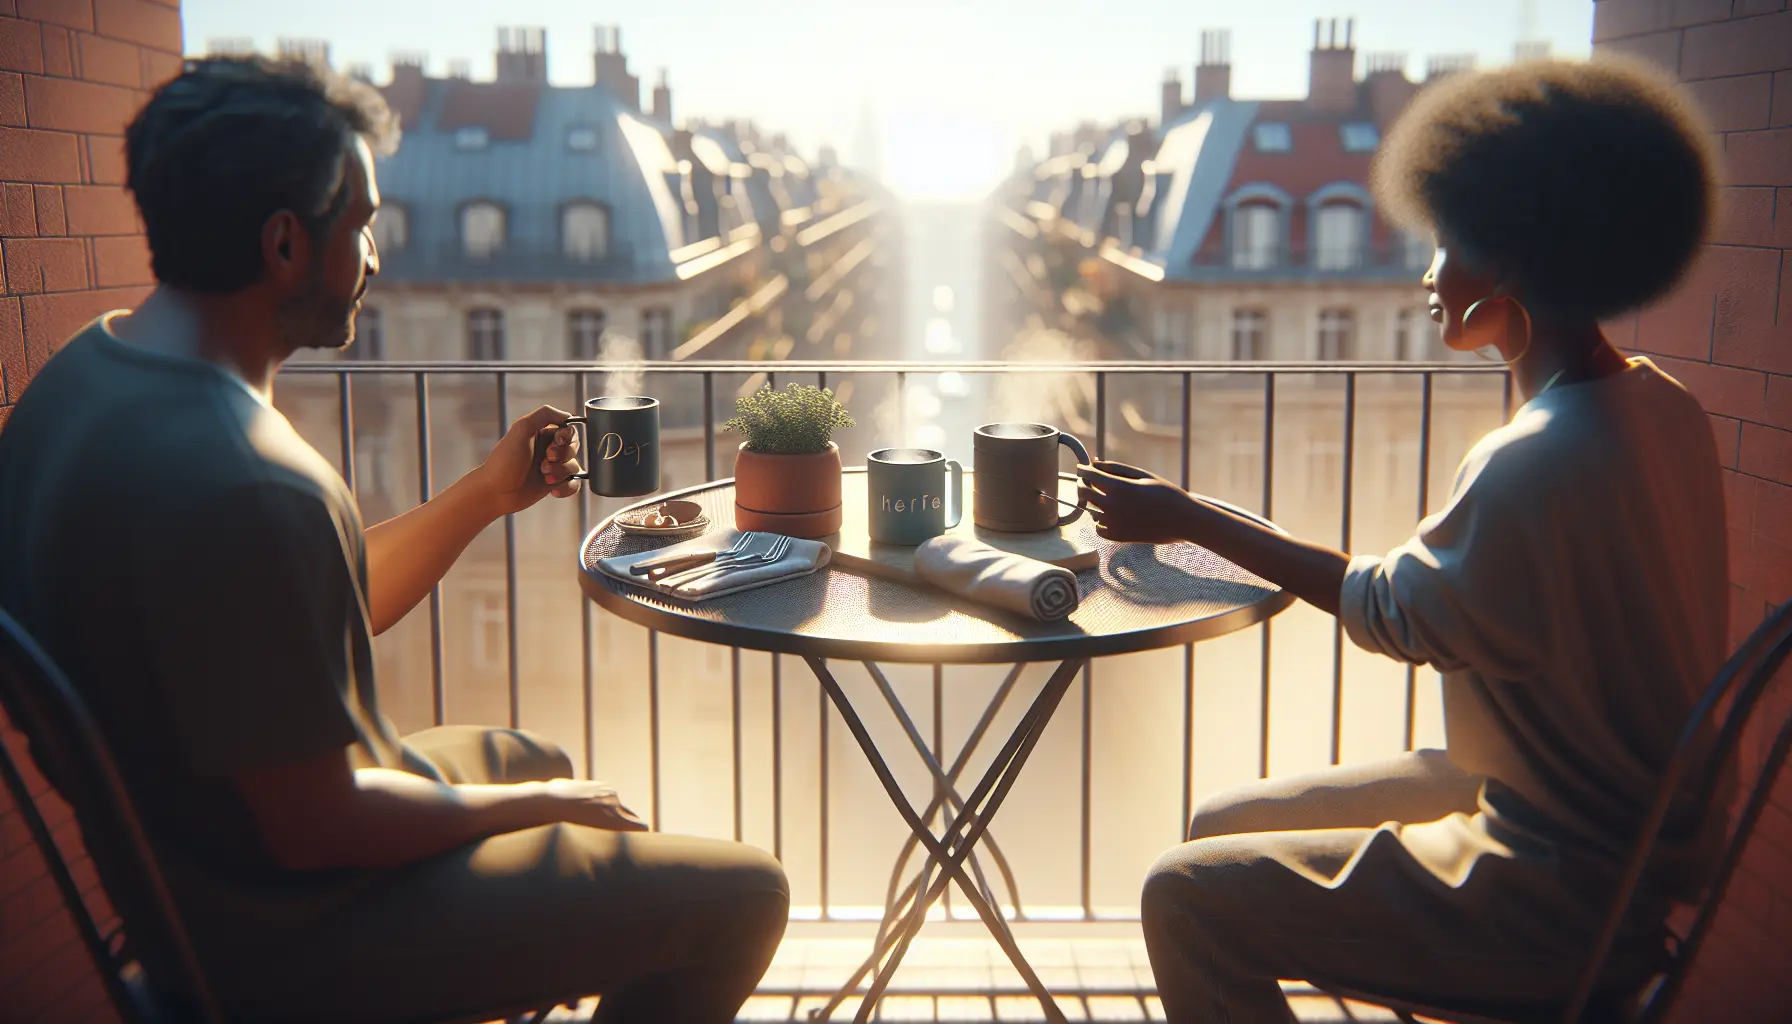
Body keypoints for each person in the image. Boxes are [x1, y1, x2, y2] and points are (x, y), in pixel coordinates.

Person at [0, 58, 787, 1023]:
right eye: (362, 225)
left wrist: (483, 495)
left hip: (196, 883)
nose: (375, 257)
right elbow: (320, 827)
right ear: (285, 243)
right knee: (747, 895)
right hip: (300, 935)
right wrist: (540, 812)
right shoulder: (244, 476)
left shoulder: (79, 382)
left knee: (532, 757)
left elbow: (303, 613)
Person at [1077, 56, 1727, 1022]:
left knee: (1183, 898)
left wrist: (1186, 520)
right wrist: (1190, 510)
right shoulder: (1665, 409)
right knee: (1218, 825)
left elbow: (1383, 610)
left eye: (1444, 243)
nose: (1426, 273)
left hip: (1550, 883)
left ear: (1507, 263)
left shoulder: (1535, 459)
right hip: (1615, 831)